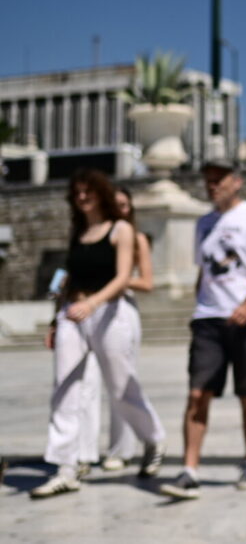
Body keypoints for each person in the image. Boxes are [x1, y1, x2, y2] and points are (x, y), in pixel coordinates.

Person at [31, 169, 166, 499]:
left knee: (120, 386)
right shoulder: (78, 231)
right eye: (76, 192)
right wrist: (56, 319)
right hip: (72, 314)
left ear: (100, 193)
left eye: (87, 191)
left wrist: (93, 303)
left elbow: (123, 277)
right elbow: (68, 280)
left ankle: (152, 438)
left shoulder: (121, 229)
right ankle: (65, 467)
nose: (82, 197)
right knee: (65, 388)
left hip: (108, 311)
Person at [160, 159, 246, 499]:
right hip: (208, 319)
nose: (213, 185)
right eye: (208, 180)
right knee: (197, 392)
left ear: (237, 181)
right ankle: (189, 469)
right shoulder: (204, 223)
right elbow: (205, 270)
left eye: (219, 179)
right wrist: (199, 305)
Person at [78, 187, 156, 472]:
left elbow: (147, 282)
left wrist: (116, 278)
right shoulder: (93, 234)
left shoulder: (135, 238)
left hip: (119, 308)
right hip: (88, 309)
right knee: (85, 383)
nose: (120, 209)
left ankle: (121, 448)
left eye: (125, 205)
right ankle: (82, 451)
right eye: (115, 204)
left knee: (120, 379)